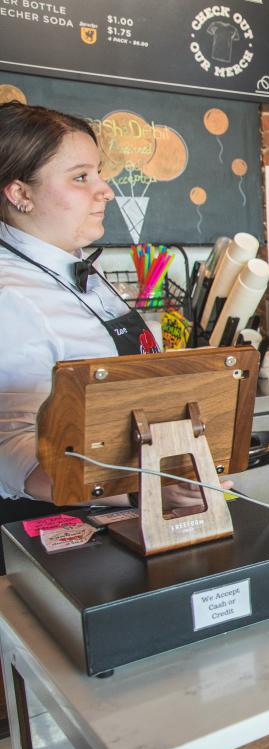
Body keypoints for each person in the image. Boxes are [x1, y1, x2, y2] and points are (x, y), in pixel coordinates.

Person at [0, 101, 164, 526]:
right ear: (20, 194)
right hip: (53, 531)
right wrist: (139, 489)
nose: (105, 189)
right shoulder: (10, 295)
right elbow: (10, 448)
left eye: (99, 173)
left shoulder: (76, 270)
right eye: (81, 178)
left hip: (124, 504)